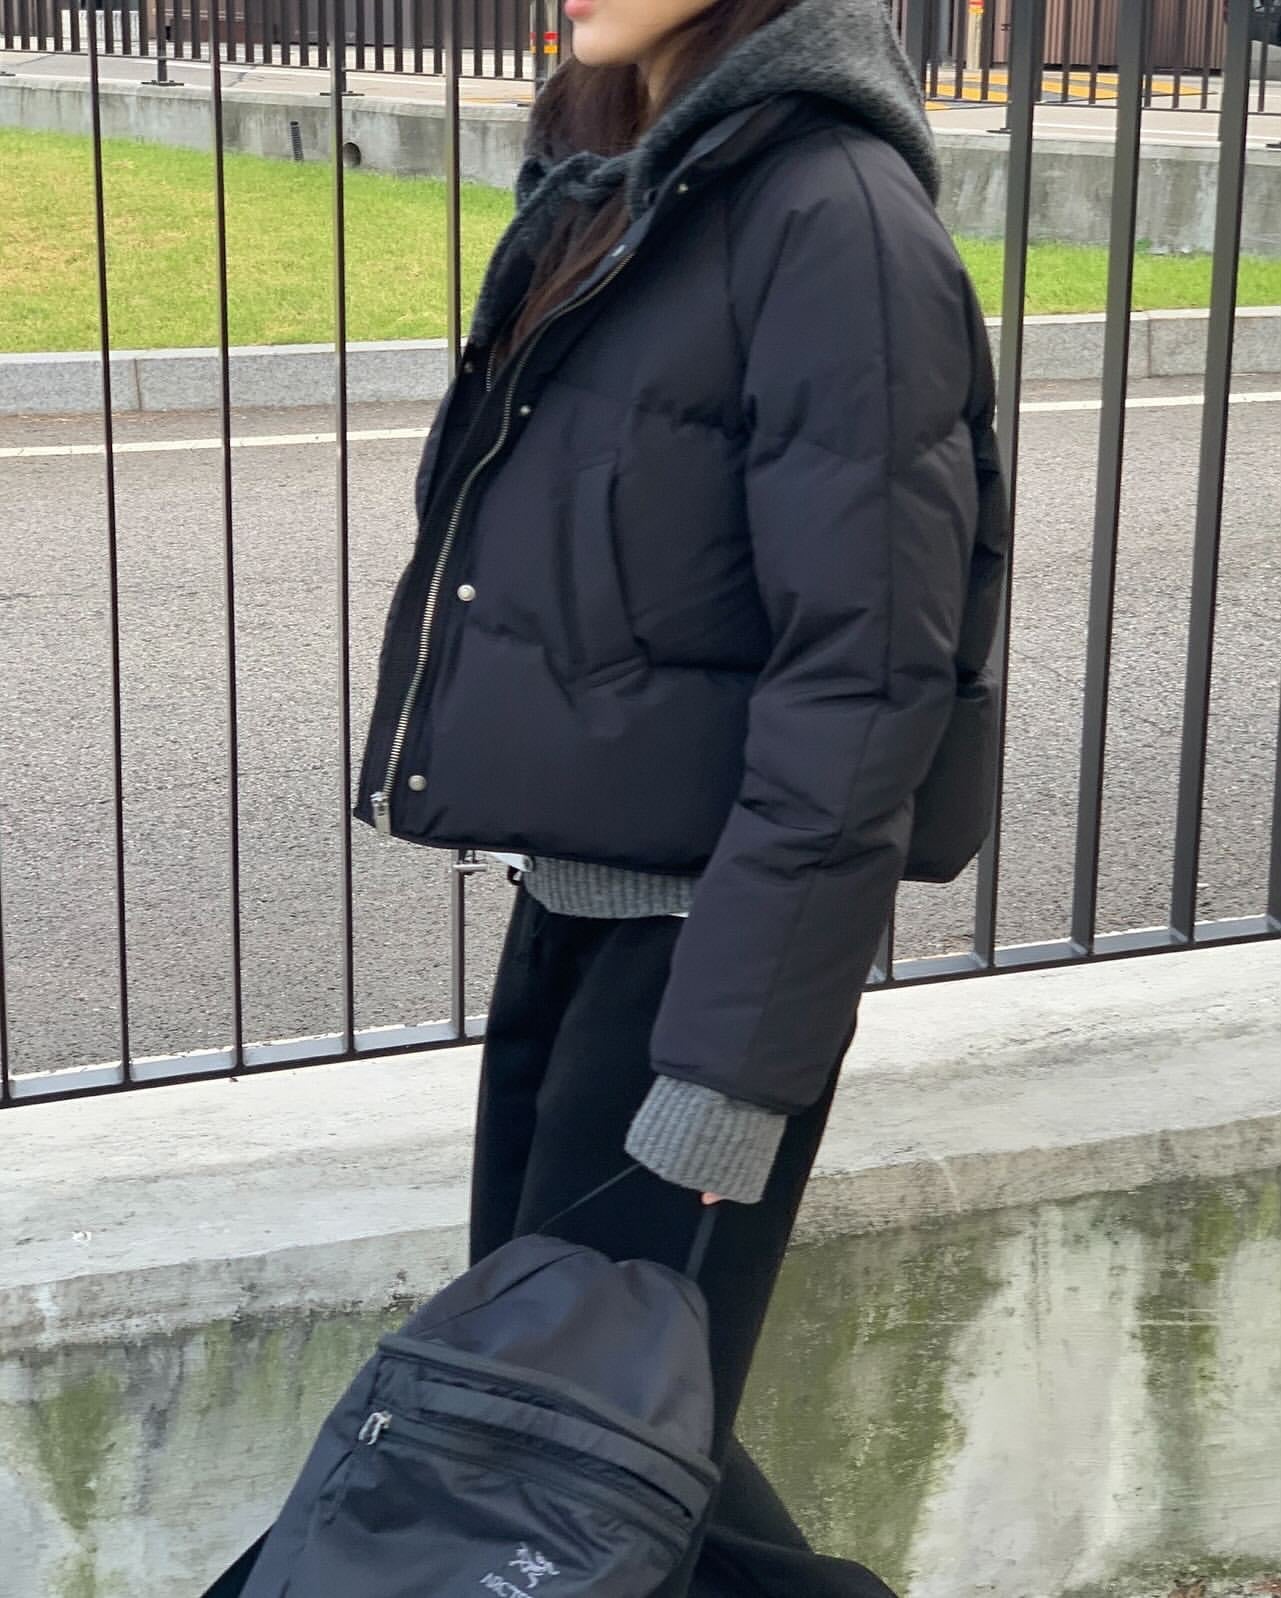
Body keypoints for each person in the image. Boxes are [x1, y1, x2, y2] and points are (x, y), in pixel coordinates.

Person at [356, 0, 1008, 1591]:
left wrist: (732, 1066)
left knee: (577, 1454)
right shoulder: (635, 181)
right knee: (576, 1440)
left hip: (699, 960)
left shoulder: (832, 215)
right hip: (578, 918)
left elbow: (865, 682)